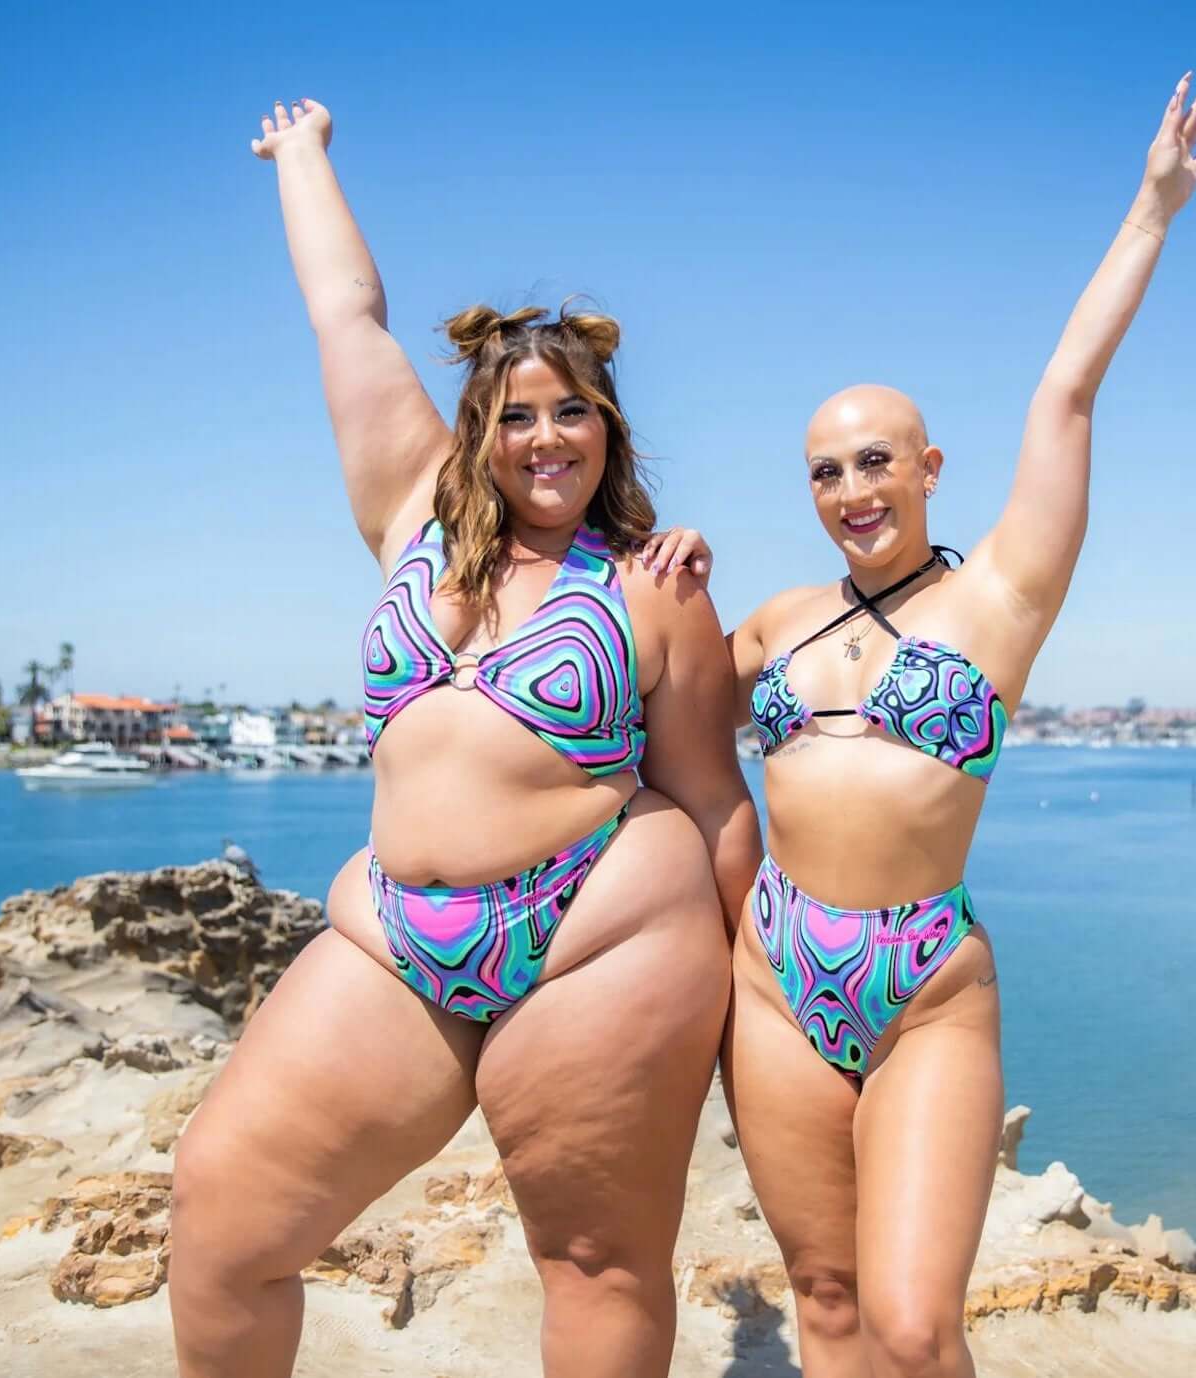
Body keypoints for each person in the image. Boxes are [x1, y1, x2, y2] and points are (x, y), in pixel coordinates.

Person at [169, 99, 759, 1378]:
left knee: (596, 1265)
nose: (545, 439)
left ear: (609, 428)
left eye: (573, 414)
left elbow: (715, 803)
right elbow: (348, 319)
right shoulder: (408, 521)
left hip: (601, 936)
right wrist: (302, 157)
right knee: (221, 1220)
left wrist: (747, 1013)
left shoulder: (655, 584)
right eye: (518, 416)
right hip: (393, 934)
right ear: (479, 432)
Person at [654, 72, 1196, 1376]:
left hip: (922, 985)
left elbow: (1065, 395)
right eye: (824, 468)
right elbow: (666, 717)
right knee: (830, 1305)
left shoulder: (999, 599)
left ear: (927, 469)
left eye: (874, 460)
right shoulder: (778, 617)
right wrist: (665, 571)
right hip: (772, 976)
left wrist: (1150, 208)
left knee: (915, 1325)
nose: (850, 487)